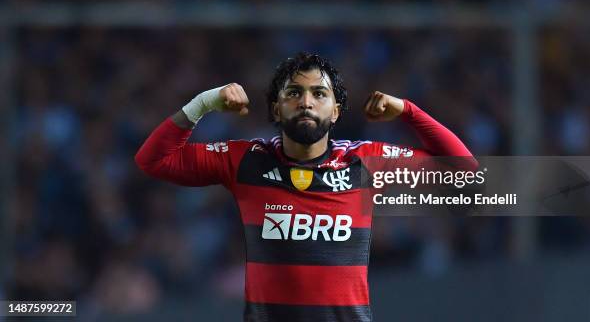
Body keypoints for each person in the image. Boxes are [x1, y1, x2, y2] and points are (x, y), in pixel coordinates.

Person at [135, 52, 475, 322]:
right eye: (293, 92)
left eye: (319, 93)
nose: (306, 102)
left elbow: (462, 167)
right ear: (276, 109)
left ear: (337, 111)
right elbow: (153, 160)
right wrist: (204, 103)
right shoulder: (246, 160)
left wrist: (407, 110)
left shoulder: (365, 161)